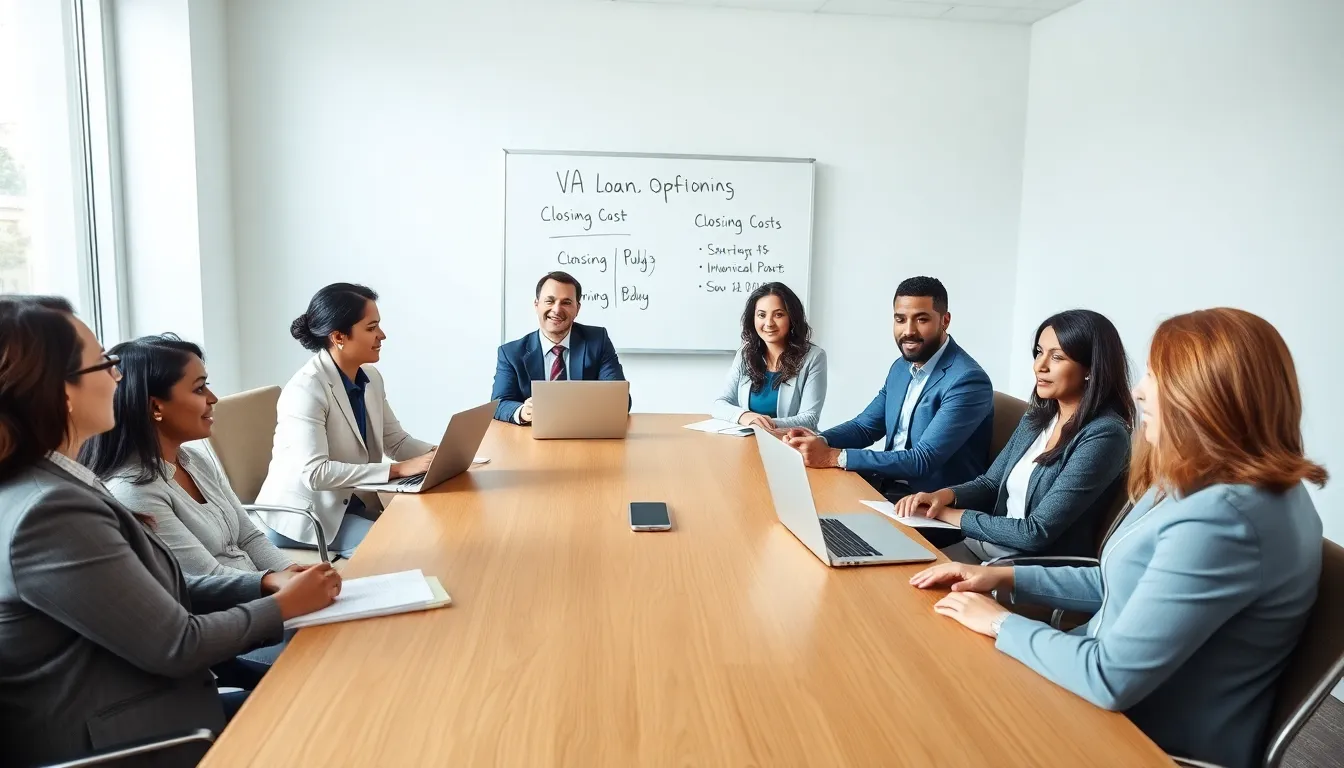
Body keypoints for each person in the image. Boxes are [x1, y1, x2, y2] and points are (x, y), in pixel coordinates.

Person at [911, 308, 1326, 768]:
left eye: (1155, 375)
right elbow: (1119, 582)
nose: (1138, 390)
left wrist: (998, 622)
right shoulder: (1208, 483)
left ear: (1206, 395)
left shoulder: (1225, 519)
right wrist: (1001, 578)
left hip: (1139, 736)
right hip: (1097, 686)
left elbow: (1109, 678)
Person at [0, 296, 340, 767]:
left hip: (149, 707)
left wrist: (263, 582)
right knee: (341, 711)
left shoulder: (51, 483)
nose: (117, 378)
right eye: (104, 364)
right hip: (134, 738)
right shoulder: (50, 511)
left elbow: (150, 594)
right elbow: (175, 643)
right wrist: (282, 606)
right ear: (60, 392)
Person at [895, 310, 1134, 562]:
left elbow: (1036, 532)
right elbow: (990, 484)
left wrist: (944, 514)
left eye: (1057, 357)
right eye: (1040, 352)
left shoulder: (1105, 435)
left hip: (1028, 569)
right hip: (984, 548)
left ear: (1090, 369)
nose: (1040, 366)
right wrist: (941, 496)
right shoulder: (1038, 418)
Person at [82, 334, 300, 577]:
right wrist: (282, 585)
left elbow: (248, 536)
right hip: (237, 608)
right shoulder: (135, 491)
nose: (213, 398)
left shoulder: (195, 460)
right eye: (199, 388)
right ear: (156, 407)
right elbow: (209, 578)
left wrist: (293, 571)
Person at [256, 283, 436, 559]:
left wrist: (442, 455)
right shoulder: (306, 390)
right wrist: (397, 470)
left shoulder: (370, 378)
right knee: (403, 551)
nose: (382, 335)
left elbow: (396, 441)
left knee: (425, 530)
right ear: (339, 336)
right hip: (305, 518)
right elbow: (316, 474)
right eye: (371, 327)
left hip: (349, 505)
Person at [784, 276, 993, 502]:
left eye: (921, 319)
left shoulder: (968, 380)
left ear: (945, 320)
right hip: (887, 486)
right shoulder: (902, 367)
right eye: (900, 319)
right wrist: (818, 441)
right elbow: (864, 427)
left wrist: (834, 457)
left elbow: (922, 460)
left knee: (826, 517)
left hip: (931, 504)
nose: (908, 331)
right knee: (798, 498)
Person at [492, 271, 627, 424]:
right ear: (536, 305)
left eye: (566, 302)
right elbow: (499, 404)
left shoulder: (597, 341)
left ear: (577, 309)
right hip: (531, 438)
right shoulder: (511, 353)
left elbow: (621, 400)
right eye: (550, 301)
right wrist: (523, 411)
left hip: (586, 434)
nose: (556, 309)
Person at [710, 282, 827, 432]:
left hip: (792, 444)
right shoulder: (745, 354)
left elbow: (809, 418)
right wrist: (745, 416)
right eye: (761, 315)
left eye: (778, 315)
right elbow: (720, 404)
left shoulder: (814, 357)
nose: (769, 323)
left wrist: (762, 424)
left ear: (792, 318)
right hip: (750, 442)